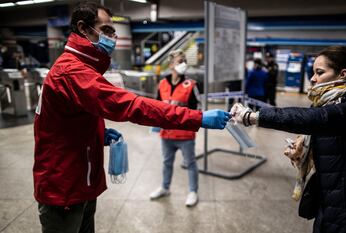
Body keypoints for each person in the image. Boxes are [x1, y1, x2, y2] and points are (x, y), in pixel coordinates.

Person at [33, 2, 230, 233]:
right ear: (83, 28)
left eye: (113, 31)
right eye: (106, 30)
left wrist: (98, 132)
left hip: (80, 179)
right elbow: (131, 105)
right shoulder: (72, 71)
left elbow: (65, 119)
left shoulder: (82, 67)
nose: (113, 37)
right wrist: (197, 117)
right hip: (63, 186)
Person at [231, 45, 346, 233]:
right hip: (334, 199)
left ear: (342, 74)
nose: (313, 78)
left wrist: (253, 117)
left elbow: (320, 119)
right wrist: (303, 151)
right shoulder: (331, 100)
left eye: (319, 72)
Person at [149, 49, 201, 207]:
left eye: (185, 60)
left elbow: (198, 110)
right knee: (166, 163)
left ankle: (193, 191)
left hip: (185, 136)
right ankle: (165, 188)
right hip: (166, 135)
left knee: (190, 163)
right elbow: (157, 107)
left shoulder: (191, 85)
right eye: (180, 61)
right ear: (171, 64)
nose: (183, 64)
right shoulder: (162, 84)